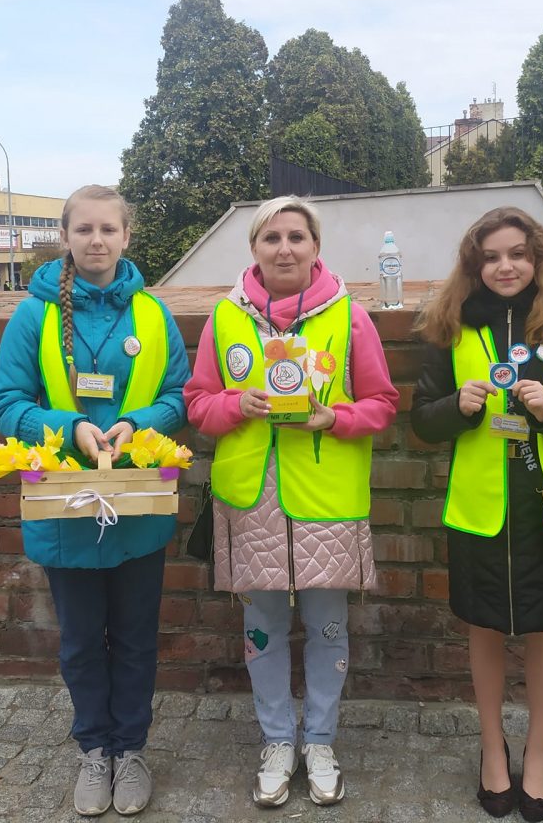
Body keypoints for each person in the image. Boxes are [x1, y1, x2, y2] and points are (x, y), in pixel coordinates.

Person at [184, 196, 398, 809]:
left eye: (296, 237)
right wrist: (236, 405)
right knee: (263, 629)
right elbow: (198, 403)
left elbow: (382, 404)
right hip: (251, 498)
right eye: (271, 238)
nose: (284, 249)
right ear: (254, 248)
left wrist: (334, 417)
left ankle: (321, 742)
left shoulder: (350, 316)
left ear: (315, 246)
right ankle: (278, 740)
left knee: (329, 627)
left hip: (326, 499)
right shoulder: (226, 317)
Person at [410, 207, 543, 821]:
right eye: (492, 257)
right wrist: (458, 406)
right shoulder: (452, 330)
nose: (505, 266)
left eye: (518, 254)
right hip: (478, 512)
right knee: (484, 629)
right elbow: (422, 422)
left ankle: (538, 749)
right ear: (475, 265)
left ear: (538, 259)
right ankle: (492, 747)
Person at [0, 184, 190, 817]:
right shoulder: (34, 316)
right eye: (84, 230)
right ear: (66, 237)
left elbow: (180, 396)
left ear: (127, 236)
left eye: (108, 229)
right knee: (79, 642)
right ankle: (94, 750)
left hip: (136, 505)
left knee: (135, 639)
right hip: (65, 507)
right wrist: (68, 426)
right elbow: (6, 405)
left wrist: (136, 423)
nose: (97, 240)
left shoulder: (152, 315)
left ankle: (130, 750)